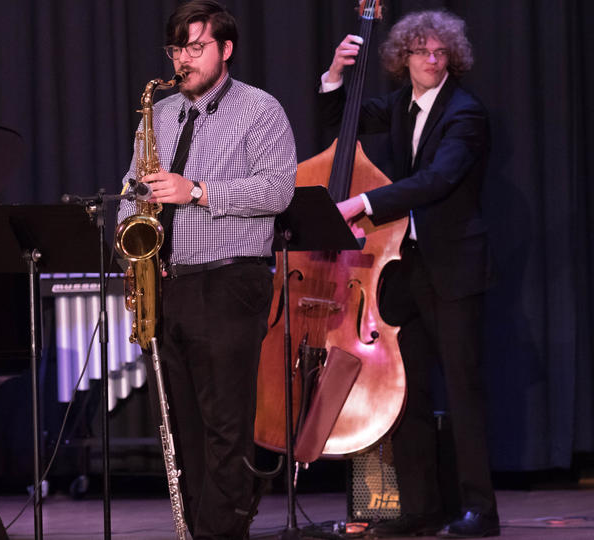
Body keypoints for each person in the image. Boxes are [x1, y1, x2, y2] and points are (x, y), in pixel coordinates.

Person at [118, 2, 296, 537]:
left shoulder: (260, 110)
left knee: (225, 428)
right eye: (176, 49)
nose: (183, 60)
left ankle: (224, 530)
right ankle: (196, 528)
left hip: (230, 280)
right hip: (168, 283)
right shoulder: (161, 113)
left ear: (226, 49)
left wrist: (196, 191)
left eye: (196, 48)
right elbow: (133, 188)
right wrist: (132, 226)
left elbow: (277, 190)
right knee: (181, 428)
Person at [324, 10, 498, 538]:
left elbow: (436, 180)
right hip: (406, 267)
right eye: (420, 51)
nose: (429, 59)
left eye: (439, 52)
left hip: (454, 268)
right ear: (404, 58)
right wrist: (335, 75)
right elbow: (346, 116)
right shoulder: (402, 105)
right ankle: (418, 509)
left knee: (464, 392)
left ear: (452, 59)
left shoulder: (466, 113)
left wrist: (361, 203)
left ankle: (480, 512)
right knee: (408, 390)